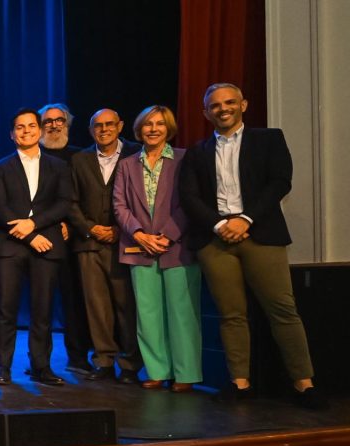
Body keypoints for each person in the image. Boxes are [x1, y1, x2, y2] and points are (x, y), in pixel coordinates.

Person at [179, 83, 326, 409]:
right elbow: (189, 197)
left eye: (230, 102)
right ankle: (240, 384)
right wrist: (220, 225)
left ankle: (304, 384)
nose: (223, 108)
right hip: (215, 240)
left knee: (283, 311)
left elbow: (280, 181)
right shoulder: (196, 152)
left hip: (261, 233)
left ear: (243, 104)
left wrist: (245, 219)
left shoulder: (269, 139)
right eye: (215, 105)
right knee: (231, 315)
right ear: (206, 112)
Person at [112, 105, 201, 392]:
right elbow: (119, 205)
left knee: (182, 312)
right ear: (139, 129)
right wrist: (139, 234)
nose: (153, 129)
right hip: (139, 247)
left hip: (177, 247)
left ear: (168, 128)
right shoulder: (127, 164)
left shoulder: (184, 159)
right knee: (148, 313)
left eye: (160, 124)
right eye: (148, 124)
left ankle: (185, 374)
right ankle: (156, 370)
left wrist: (167, 236)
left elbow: (189, 202)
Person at [0, 108, 72, 386]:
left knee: (43, 309)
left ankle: (41, 366)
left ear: (39, 130)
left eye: (31, 126)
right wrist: (28, 235)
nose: (26, 131)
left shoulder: (58, 166)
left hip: (47, 244)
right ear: (12, 135)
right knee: (6, 309)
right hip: (10, 246)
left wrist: (34, 224)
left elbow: (64, 203)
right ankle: (3, 367)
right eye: (20, 128)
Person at [67, 109, 142, 384]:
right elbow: (70, 201)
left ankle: (131, 365)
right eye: (98, 125)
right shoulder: (80, 159)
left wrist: (120, 229)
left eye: (110, 124)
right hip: (89, 243)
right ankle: (104, 362)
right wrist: (89, 228)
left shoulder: (136, 153)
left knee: (127, 306)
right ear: (90, 130)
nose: (104, 129)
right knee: (97, 307)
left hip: (126, 241)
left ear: (120, 126)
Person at [39, 102, 91, 375]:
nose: (54, 125)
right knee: (42, 303)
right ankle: (40, 362)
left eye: (60, 120)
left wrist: (72, 223)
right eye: (48, 121)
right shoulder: (31, 155)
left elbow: (82, 197)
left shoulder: (81, 157)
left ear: (68, 125)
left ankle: (78, 356)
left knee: (75, 301)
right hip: (41, 238)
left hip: (75, 240)